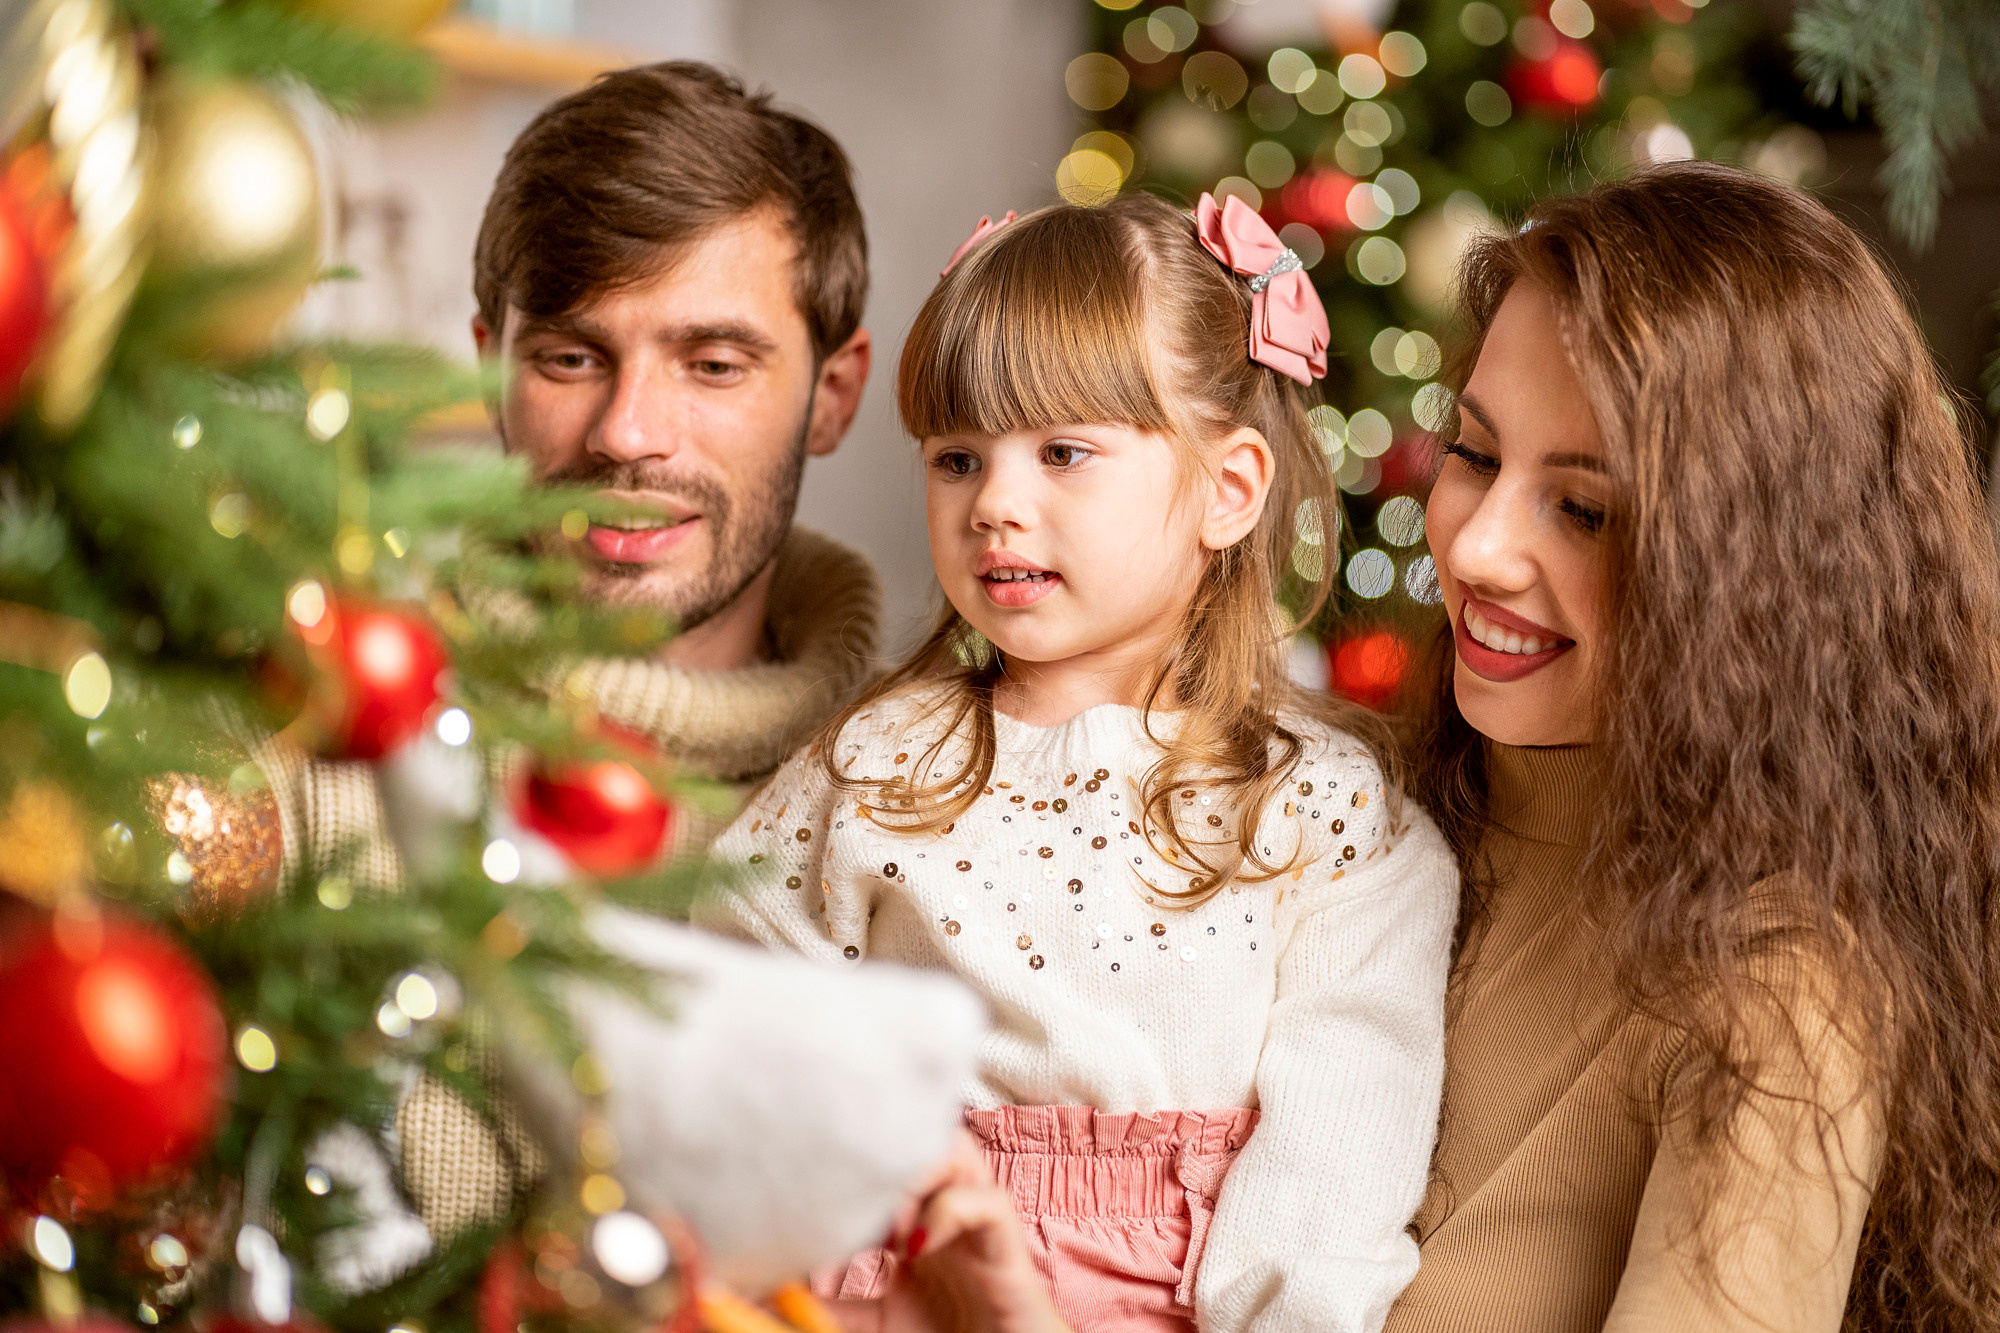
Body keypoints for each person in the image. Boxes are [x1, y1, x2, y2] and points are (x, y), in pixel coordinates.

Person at [252, 62, 988, 1292]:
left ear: (832, 394)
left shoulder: (939, 803)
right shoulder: (313, 727)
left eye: (713, 363)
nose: (628, 432)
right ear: (488, 369)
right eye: (570, 357)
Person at [694, 193, 1459, 1332]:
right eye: (958, 458)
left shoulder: (1325, 812)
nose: (994, 504)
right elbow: (736, 1008)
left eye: (1063, 452)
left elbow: (1331, 1185)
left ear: (1227, 490)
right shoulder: (875, 759)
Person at [1382, 162, 2000, 1332]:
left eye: (1586, 509)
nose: (1473, 552)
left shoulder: (1779, 990)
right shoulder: (1350, 809)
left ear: (1763, 570)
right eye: (1472, 454)